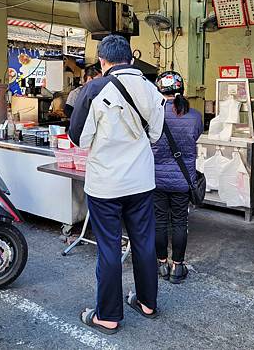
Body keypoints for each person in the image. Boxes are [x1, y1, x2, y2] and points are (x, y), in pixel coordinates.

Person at [69, 35, 165, 334]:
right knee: (144, 243)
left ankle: (108, 315)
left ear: (102, 61)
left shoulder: (94, 88)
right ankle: (147, 302)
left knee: (109, 248)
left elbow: (78, 137)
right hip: (141, 181)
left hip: (106, 184)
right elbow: (156, 134)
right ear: (132, 60)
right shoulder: (152, 89)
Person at [152, 71, 203, 284]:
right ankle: (177, 267)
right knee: (180, 222)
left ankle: (161, 263)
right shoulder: (195, 116)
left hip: (156, 179)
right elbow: (196, 136)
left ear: (159, 90)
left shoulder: (153, 114)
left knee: (160, 222)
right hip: (183, 179)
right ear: (182, 89)